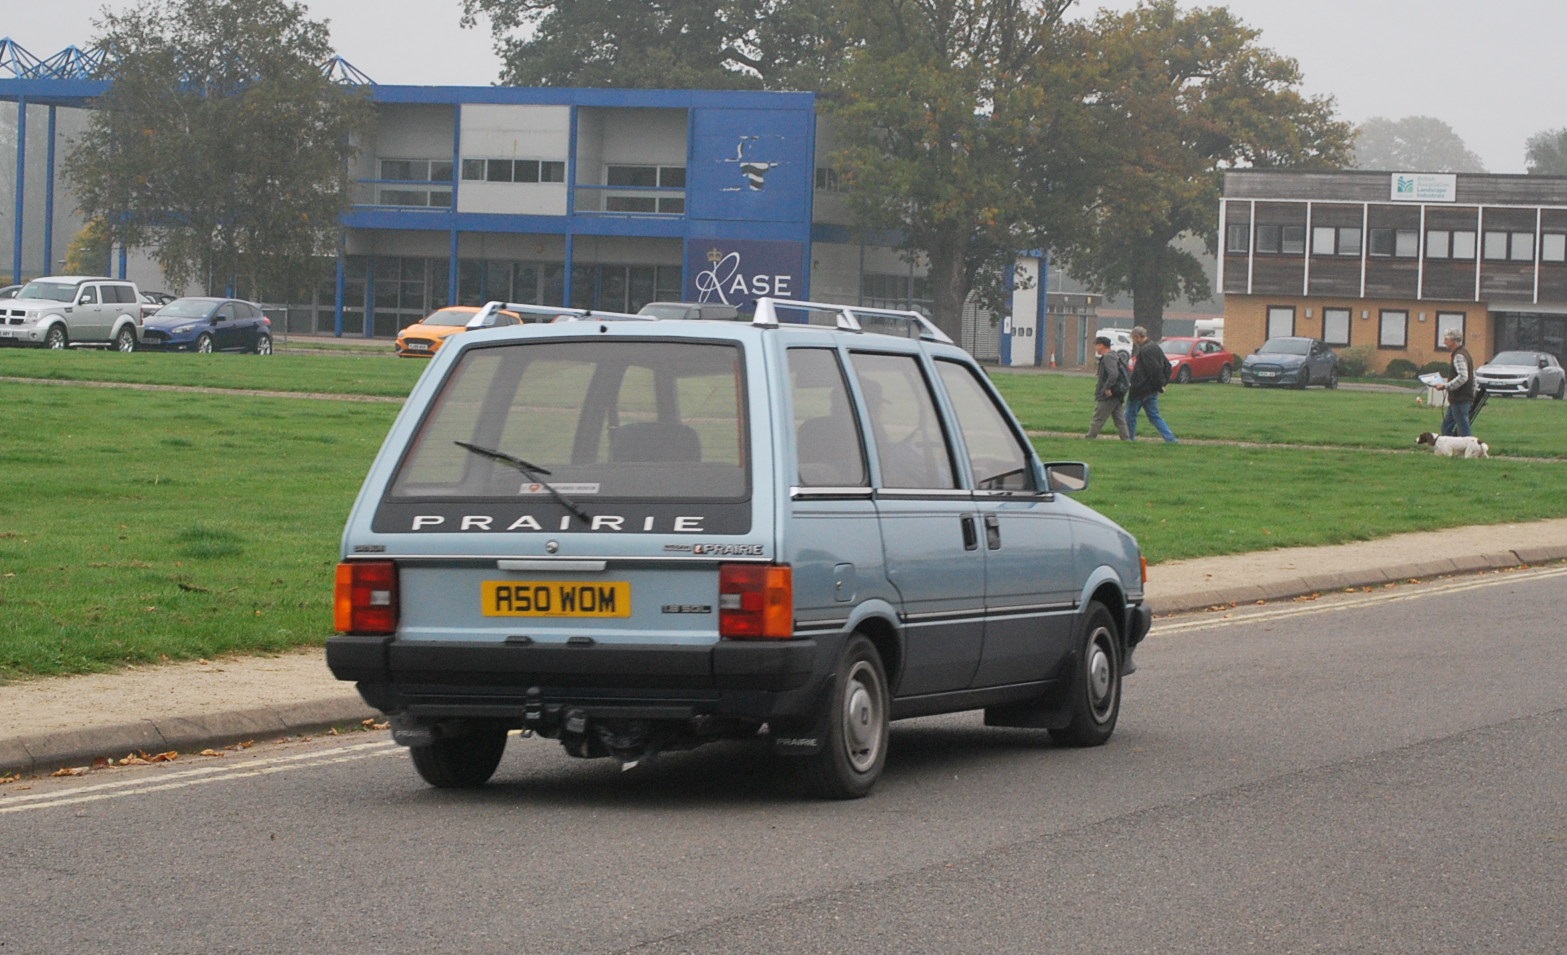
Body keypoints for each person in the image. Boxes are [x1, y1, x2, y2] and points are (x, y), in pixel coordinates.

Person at [1126, 326, 1178, 443]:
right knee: (1154, 416)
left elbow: (1154, 370)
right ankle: (1170, 439)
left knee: (1130, 415)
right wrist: (1162, 384)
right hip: (1151, 390)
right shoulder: (1155, 347)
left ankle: (1129, 439)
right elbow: (1167, 366)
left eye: (1133, 338)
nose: (1133, 341)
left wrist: (1159, 385)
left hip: (1140, 390)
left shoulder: (1145, 350)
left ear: (1138, 337)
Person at [1086, 335, 1130, 440]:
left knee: (1098, 418)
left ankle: (1090, 438)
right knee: (1120, 420)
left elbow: (1113, 374)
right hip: (1116, 393)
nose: (1095, 348)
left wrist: (1107, 388)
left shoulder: (1108, 357)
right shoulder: (1114, 356)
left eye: (1096, 345)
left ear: (1102, 345)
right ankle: (1126, 439)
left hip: (1109, 394)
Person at [1434, 328, 1476, 437]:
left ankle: (1468, 447)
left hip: (1460, 398)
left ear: (1453, 341)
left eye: (1446, 339)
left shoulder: (1459, 356)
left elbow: (1463, 376)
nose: (1444, 342)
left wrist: (1446, 386)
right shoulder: (1465, 353)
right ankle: (1448, 448)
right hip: (1460, 398)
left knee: (1462, 426)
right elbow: (1473, 375)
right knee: (1446, 426)